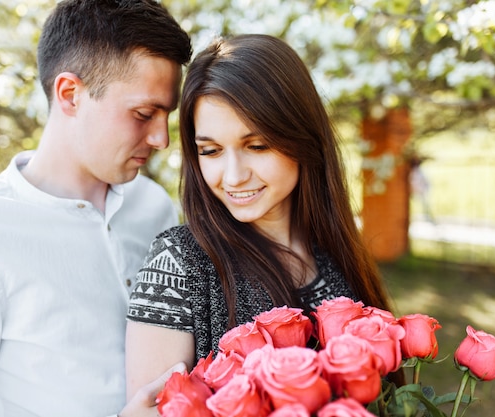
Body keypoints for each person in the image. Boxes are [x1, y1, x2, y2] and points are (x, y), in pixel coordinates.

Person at [0, 1, 191, 416]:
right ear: (70, 94)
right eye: (143, 114)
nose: (161, 139)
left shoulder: (153, 207)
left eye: (166, 116)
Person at [125, 34, 402, 399]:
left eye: (256, 146)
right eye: (210, 151)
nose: (234, 175)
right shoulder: (178, 262)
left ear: (302, 136)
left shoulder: (336, 252)